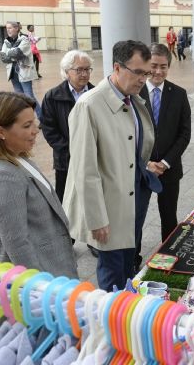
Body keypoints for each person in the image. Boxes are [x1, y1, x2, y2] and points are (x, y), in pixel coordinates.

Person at [63, 40, 156, 291]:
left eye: (146, 73)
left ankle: (128, 316)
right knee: (112, 274)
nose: (143, 79)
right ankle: (110, 322)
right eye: (138, 72)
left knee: (128, 265)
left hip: (132, 198)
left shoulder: (132, 97)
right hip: (107, 208)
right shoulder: (89, 105)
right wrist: (96, 219)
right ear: (117, 67)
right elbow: (84, 170)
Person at [0, 92, 78, 277]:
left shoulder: (19, 156)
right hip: (40, 280)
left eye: (34, 122)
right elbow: (16, 243)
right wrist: (39, 286)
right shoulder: (2, 176)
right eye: (27, 125)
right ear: (0, 132)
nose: (36, 130)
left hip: (53, 267)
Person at [139, 43, 191, 245]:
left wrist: (166, 162)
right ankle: (134, 257)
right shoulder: (135, 93)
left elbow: (184, 134)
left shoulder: (179, 94)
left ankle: (168, 255)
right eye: (153, 66)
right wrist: (146, 164)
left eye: (163, 66)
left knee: (169, 217)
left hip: (169, 170)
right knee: (137, 218)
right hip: (141, 169)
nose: (158, 71)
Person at [40, 50, 95, 203]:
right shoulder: (52, 96)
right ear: (66, 72)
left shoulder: (96, 95)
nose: (84, 74)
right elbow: (49, 129)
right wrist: (71, 149)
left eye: (87, 69)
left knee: (91, 199)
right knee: (66, 200)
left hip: (93, 159)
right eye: (79, 70)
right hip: (65, 160)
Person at [0, 21, 41, 118]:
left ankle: (42, 117)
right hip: (13, 72)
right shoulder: (6, 41)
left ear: (16, 28)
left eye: (10, 28)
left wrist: (10, 53)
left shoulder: (24, 39)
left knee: (29, 96)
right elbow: (3, 57)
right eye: (7, 28)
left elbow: (18, 53)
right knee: (19, 98)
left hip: (24, 71)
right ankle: (25, 117)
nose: (8, 30)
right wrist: (12, 54)